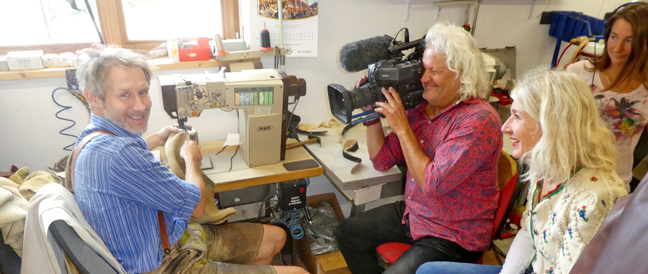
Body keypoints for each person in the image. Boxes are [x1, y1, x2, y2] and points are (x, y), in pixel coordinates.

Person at [72, 45, 308, 274]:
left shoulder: (92, 138)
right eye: (125, 95)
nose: (141, 105)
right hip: (162, 264)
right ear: (93, 98)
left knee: (276, 238)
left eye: (143, 92)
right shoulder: (120, 154)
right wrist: (192, 161)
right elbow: (195, 207)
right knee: (299, 273)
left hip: (161, 239)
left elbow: (126, 155)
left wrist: (158, 137)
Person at [416, 69, 628, 274]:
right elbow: (528, 232)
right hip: (535, 267)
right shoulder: (545, 168)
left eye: (517, 117)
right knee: (428, 270)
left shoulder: (595, 198)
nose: (505, 127)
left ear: (551, 125)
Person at [335, 22, 503, 274]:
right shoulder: (421, 109)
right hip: (416, 215)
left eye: (433, 72)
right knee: (347, 233)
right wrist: (372, 117)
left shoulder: (478, 120)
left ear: (461, 72)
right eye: (423, 70)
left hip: (454, 235)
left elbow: (432, 183)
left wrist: (402, 127)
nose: (424, 79)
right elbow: (381, 160)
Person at [565, 2, 648, 192]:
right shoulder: (578, 73)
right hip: (568, 177)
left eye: (629, 40)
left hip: (611, 185)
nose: (617, 47)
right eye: (614, 37)